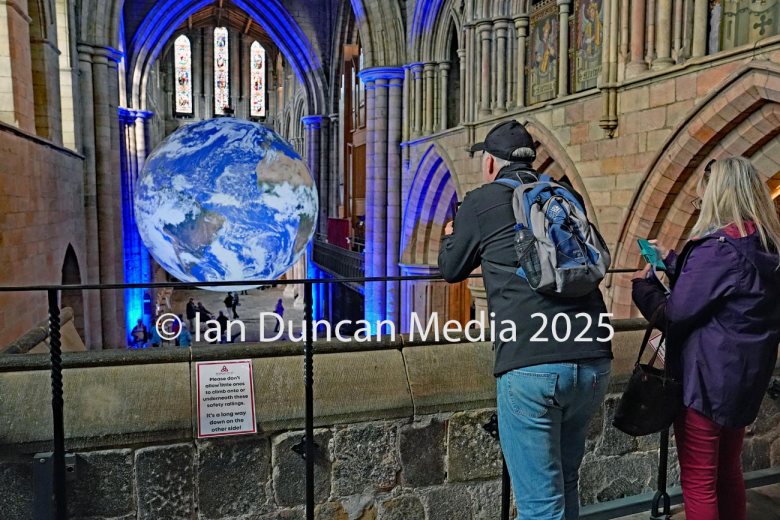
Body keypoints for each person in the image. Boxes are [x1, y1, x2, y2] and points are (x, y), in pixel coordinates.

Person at [437, 120, 612, 520]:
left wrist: (452, 232)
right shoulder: (564, 195)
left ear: (490, 164)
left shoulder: (481, 202)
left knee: (539, 506)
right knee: (567, 482)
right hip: (592, 356)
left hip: (531, 363)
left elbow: (451, 268)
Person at [632, 156, 780, 520]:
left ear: (718, 197)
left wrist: (645, 287)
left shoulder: (717, 248)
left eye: (701, 200)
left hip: (706, 380)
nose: (699, 206)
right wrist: (675, 260)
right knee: (729, 471)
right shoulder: (766, 246)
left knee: (699, 480)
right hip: (744, 377)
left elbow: (678, 313)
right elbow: (731, 290)